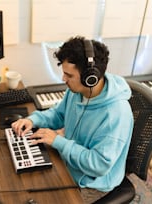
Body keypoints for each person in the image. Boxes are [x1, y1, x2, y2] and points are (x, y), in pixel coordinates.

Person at [11, 36, 134, 203]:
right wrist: (33, 120)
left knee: (37, 198)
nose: (63, 79)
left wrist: (58, 141)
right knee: (22, 184)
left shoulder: (116, 115)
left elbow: (99, 165)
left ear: (90, 77)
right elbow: (59, 114)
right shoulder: (77, 91)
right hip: (70, 160)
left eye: (69, 75)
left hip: (92, 183)